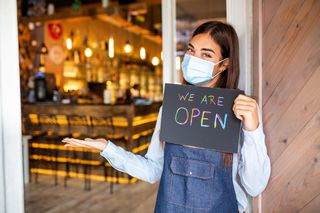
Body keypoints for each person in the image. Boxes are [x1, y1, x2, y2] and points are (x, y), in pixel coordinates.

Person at [62, 21, 271, 213]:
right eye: (191, 51)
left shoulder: (241, 109)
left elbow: (255, 185)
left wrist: (253, 130)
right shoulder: (173, 107)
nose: (194, 59)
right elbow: (153, 170)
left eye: (206, 55)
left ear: (224, 64)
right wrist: (107, 148)